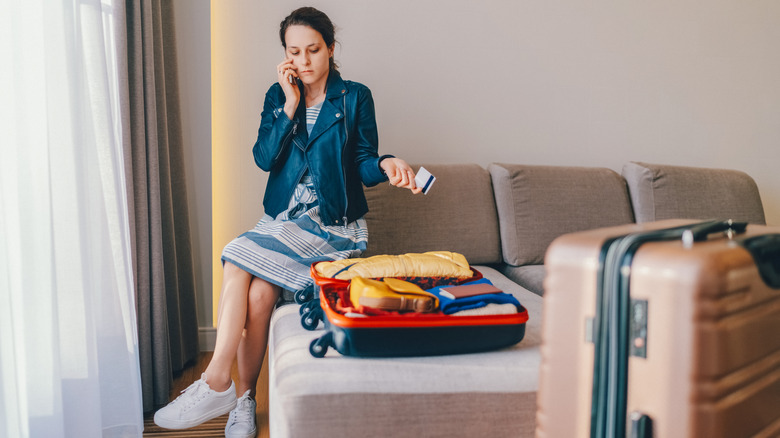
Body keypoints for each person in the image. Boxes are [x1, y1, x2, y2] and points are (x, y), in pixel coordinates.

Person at [153, 7, 420, 438]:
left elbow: (363, 162)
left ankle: (217, 380)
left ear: (331, 49)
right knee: (258, 297)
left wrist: (388, 163)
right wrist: (290, 105)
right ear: (285, 56)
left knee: (236, 255)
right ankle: (243, 402)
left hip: (331, 225)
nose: (305, 60)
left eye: (314, 49)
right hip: (282, 221)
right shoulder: (278, 97)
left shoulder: (354, 97)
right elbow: (264, 159)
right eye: (294, 51)